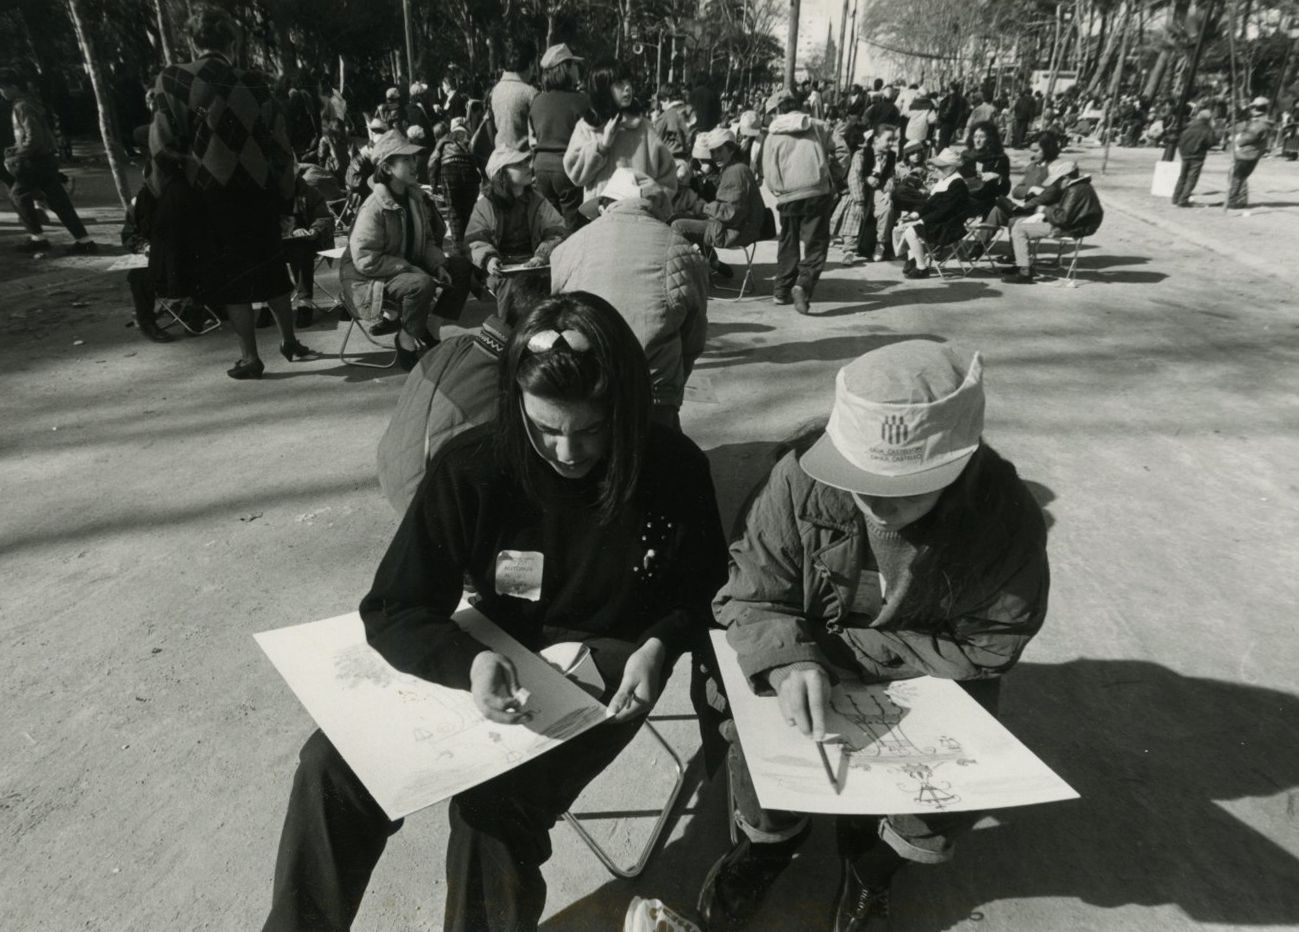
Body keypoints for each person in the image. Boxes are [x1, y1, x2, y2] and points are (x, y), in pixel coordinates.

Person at [261, 291, 728, 932]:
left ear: (625, 408)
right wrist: (470, 661)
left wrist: (661, 644)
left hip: (613, 656)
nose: (567, 451)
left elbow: (708, 591)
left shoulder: (672, 466)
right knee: (332, 764)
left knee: (496, 808)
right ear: (516, 405)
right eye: (545, 429)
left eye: (592, 430)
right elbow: (395, 605)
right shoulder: (475, 466)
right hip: (493, 644)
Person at [696, 339, 1049, 932]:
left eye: (911, 487)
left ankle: (872, 867)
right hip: (845, 652)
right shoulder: (798, 480)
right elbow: (752, 593)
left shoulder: (1004, 520)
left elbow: (993, 642)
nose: (882, 505)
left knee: (946, 782)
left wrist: (836, 656)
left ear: (962, 468)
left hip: (930, 677)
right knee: (757, 736)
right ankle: (769, 845)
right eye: (861, 478)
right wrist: (790, 662)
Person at [147, 5, 310, 380]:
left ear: (193, 42)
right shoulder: (255, 81)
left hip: (212, 197)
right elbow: (280, 148)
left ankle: (250, 358)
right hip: (259, 193)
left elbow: (162, 145)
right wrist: (285, 198)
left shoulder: (173, 78)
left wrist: (170, 186)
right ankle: (290, 342)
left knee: (233, 279)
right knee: (272, 269)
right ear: (233, 44)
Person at [550, 167, 709, 431]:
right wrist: (675, 382)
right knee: (664, 447)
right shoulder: (682, 249)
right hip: (653, 388)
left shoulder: (568, 247)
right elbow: (694, 337)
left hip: (585, 380)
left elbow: (555, 316)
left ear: (604, 205)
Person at [340, 130, 455, 370]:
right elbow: (365, 259)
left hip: (402, 268)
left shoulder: (414, 198)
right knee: (420, 283)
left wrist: (438, 265)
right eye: (406, 159)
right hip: (369, 279)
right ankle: (405, 341)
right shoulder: (374, 206)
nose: (414, 164)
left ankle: (429, 329)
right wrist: (409, 268)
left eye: (413, 158)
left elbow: (426, 241)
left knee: (460, 268)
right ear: (387, 168)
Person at [0, 68, 96, 255]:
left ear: (13, 87)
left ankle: (38, 238)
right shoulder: (29, 102)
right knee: (58, 200)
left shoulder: (22, 106)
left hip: (35, 161)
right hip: (45, 159)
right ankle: (84, 240)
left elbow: (34, 138)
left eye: (3, 88)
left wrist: (17, 154)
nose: (1, 92)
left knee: (18, 195)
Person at [762, 87, 840, 315]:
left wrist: (778, 190)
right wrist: (832, 176)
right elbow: (842, 150)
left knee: (788, 241)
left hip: (788, 196)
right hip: (816, 192)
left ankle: (781, 291)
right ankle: (803, 285)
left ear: (778, 111)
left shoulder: (772, 135)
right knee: (816, 244)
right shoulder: (817, 125)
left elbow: (768, 169)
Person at [465, 146, 566, 322]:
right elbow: (475, 240)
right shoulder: (486, 205)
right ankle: (508, 331)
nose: (528, 167)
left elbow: (557, 231)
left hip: (535, 263)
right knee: (511, 285)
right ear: (501, 173)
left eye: (526, 162)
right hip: (501, 268)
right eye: (518, 164)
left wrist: (542, 255)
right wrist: (489, 260)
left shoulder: (537, 200)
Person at [563, 61, 677, 202]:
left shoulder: (644, 127)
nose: (627, 87)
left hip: (636, 211)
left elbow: (668, 177)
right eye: (619, 83)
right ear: (602, 88)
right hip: (602, 212)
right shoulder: (586, 127)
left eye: (628, 81)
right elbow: (576, 175)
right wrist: (602, 148)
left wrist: (650, 198)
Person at [670, 127, 766, 279]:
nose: (715, 156)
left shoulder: (735, 172)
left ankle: (682, 275)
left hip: (735, 231)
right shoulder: (735, 169)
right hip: (736, 226)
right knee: (680, 218)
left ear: (731, 149)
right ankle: (708, 264)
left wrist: (703, 207)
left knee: (677, 225)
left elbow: (729, 213)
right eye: (713, 152)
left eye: (720, 151)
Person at [1001, 161, 1103, 284]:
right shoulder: (1082, 186)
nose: (1056, 185)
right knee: (1019, 222)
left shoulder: (1074, 190)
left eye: (1057, 181)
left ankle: (1024, 271)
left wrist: (1044, 210)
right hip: (1075, 225)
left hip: (1069, 229)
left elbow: (1062, 218)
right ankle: (1023, 264)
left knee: (1019, 229)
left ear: (1065, 178)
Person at [529, 43, 589, 231]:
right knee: (573, 225)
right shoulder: (581, 101)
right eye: (574, 64)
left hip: (541, 167)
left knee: (552, 226)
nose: (578, 69)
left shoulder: (537, 101)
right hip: (567, 168)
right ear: (566, 69)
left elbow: (534, 135)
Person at [893, 147, 971, 279]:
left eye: (940, 167)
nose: (935, 169)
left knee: (911, 231)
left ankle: (921, 268)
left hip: (949, 223)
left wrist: (921, 221)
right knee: (903, 223)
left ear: (951, 167)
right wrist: (915, 215)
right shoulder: (944, 180)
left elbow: (945, 210)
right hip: (938, 218)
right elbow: (929, 203)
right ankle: (913, 258)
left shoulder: (957, 183)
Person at [284, 168, 335, 326]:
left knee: (301, 248)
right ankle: (268, 303)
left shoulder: (311, 193)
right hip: (279, 241)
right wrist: (292, 231)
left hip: (308, 243)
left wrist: (315, 230)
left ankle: (305, 302)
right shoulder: (271, 193)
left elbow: (324, 217)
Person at [429, 116, 482, 250]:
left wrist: (433, 184)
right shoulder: (467, 137)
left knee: (454, 211)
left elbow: (433, 162)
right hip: (468, 171)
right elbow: (476, 156)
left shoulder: (443, 140)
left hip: (450, 171)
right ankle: (471, 243)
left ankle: (458, 247)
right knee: (469, 209)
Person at [489, 37, 539, 150]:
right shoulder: (531, 94)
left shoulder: (495, 90)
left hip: (499, 155)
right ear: (531, 64)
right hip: (523, 157)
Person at [1228, 97, 1272, 209]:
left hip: (1246, 154)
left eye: (1252, 107)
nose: (1250, 109)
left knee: (1237, 177)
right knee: (1241, 177)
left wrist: (1236, 139)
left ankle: (1233, 200)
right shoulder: (1259, 121)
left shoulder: (1259, 124)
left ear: (1257, 109)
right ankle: (1240, 200)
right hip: (1251, 153)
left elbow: (1248, 138)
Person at [962, 120, 1011, 217]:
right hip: (965, 194)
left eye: (981, 137)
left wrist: (998, 177)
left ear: (990, 138)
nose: (977, 140)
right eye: (975, 136)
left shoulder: (1000, 158)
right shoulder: (966, 156)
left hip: (985, 199)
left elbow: (1005, 189)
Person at [1171, 109, 1216, 207]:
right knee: (1191, 179)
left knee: (1182, 177)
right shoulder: (1207, 128)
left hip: (1185, 154)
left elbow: (1181, 138)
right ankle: (1183, 200)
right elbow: (1211, 142)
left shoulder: (1189, 125)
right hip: (1197, 156)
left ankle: (1175, 198)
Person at [653, 83, 692, 159]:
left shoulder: (666, 116)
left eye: (661, 100)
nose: (660, 103)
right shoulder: (690, 109)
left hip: (672, 158)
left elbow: (655, 140)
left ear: (667, 99)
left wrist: (655, 121)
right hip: (689, 156)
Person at [935, 80, 969, 151]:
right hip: (954, 123)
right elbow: (965, 112)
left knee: (942, 143)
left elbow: (949, 110)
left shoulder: (952, 97)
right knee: (946, 142)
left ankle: (941, 155)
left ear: (950, 88)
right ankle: (944, 154)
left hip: (947, 122)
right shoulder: (962, 99)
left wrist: (941, 119)